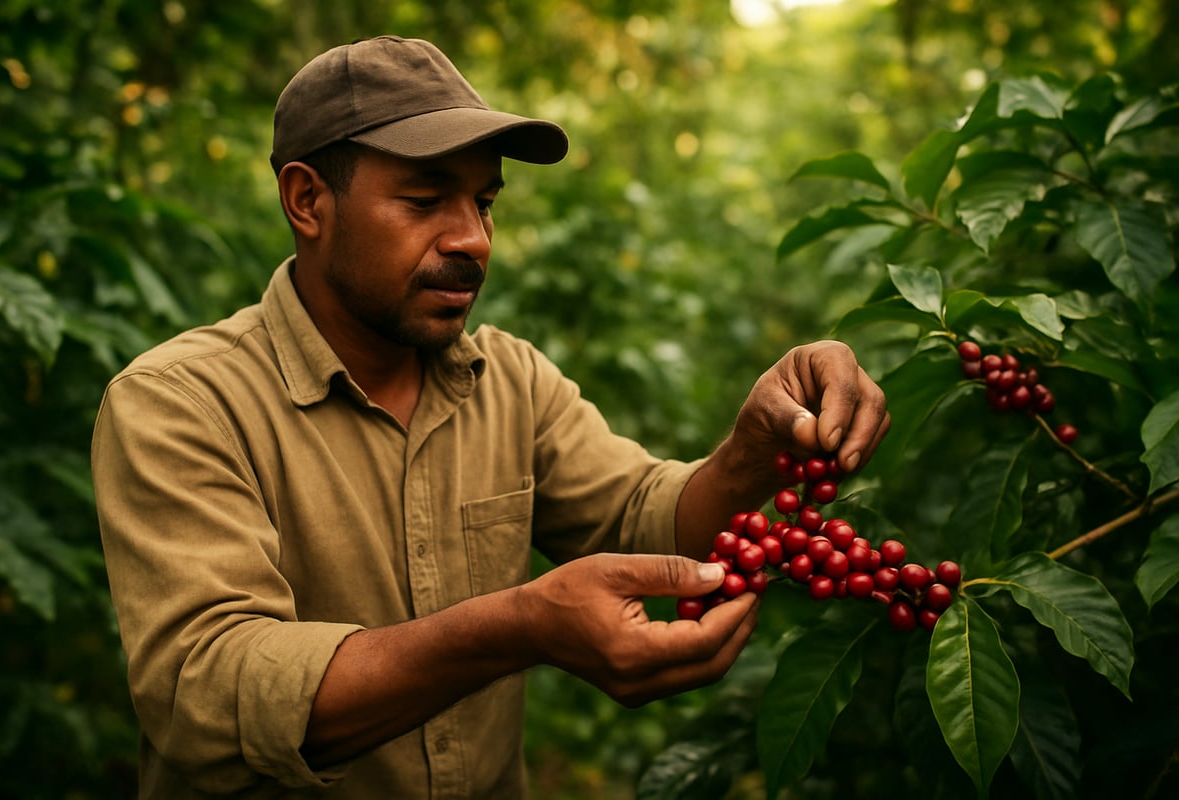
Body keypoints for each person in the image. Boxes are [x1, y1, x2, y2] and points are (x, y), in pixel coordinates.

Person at [91, 35, 889, 799]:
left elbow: (646, 521)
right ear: (308, 201)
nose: (473, 238)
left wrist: (751, 453)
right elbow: (211, 693)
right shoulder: (182, 403)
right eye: (424, 199)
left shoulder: (509, 380)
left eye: (483, 201)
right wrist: (519, 627)